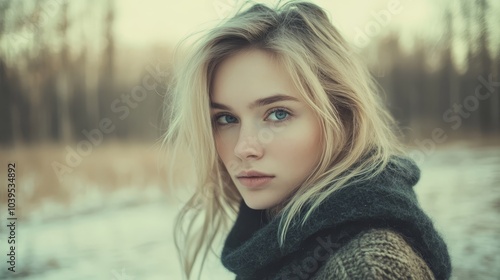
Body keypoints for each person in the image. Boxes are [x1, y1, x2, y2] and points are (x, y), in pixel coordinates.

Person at [162, 1, 452, 279]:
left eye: (277, 114)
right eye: (226, 119)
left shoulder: (366, 268)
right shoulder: (272, 241)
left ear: (343, 117)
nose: (243, 148)